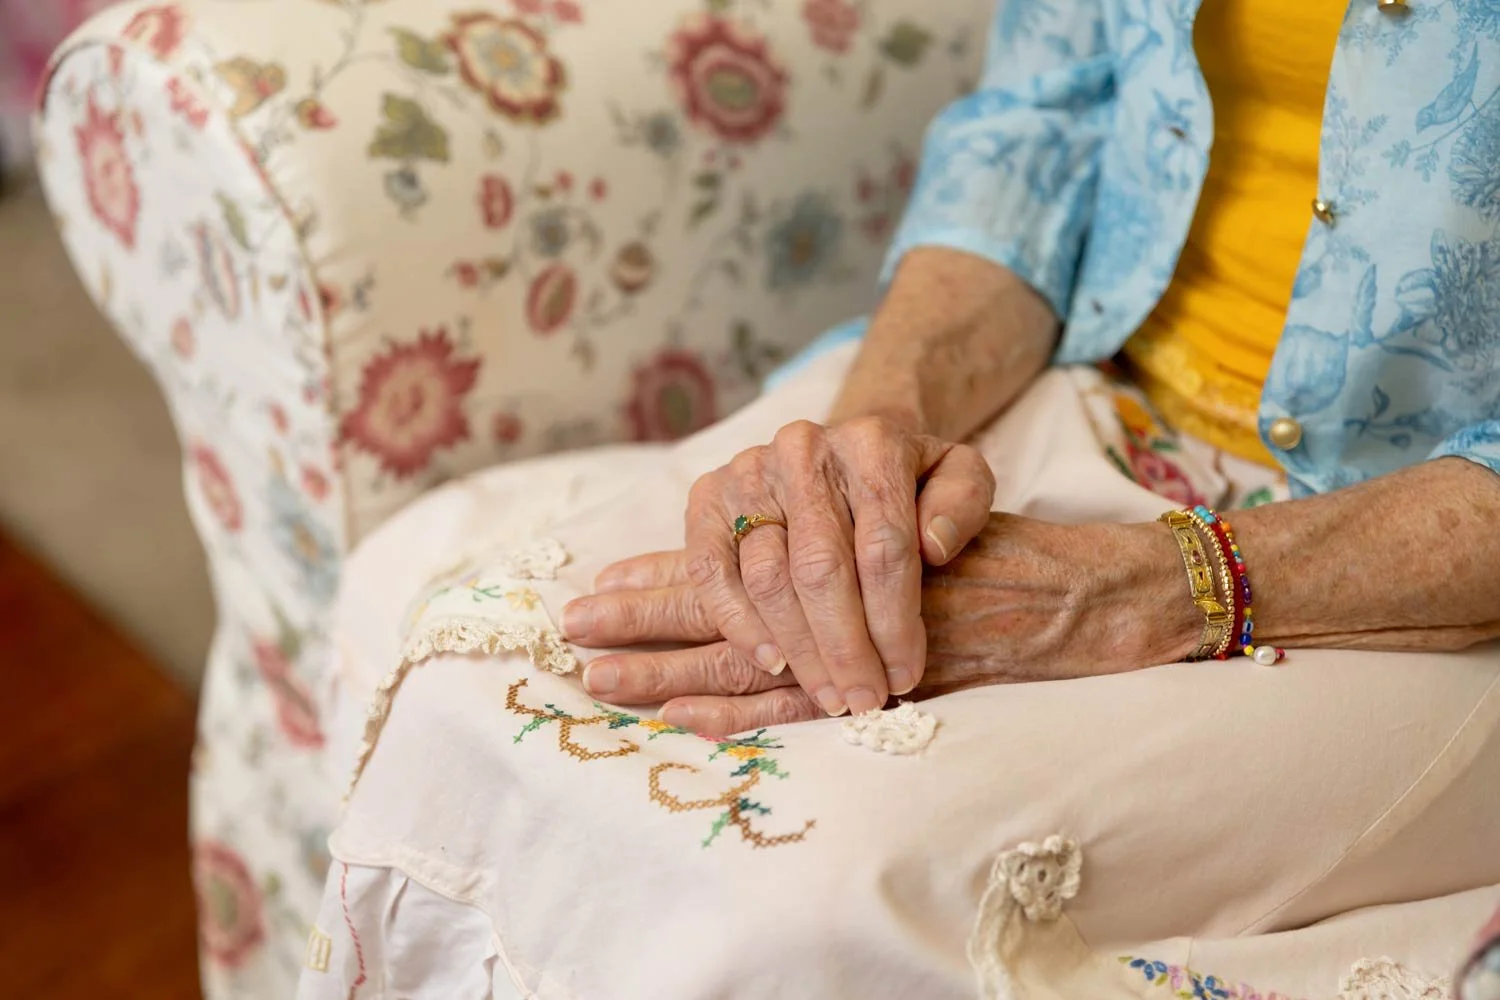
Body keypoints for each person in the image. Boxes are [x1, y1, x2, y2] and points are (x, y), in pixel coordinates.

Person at [303, 0, 1500, 996]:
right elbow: (1041, 125)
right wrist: (867, 457)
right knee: (476, 691)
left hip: (1416, 554)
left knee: (808, 898)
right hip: (1088, 373)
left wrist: (1148, 589)